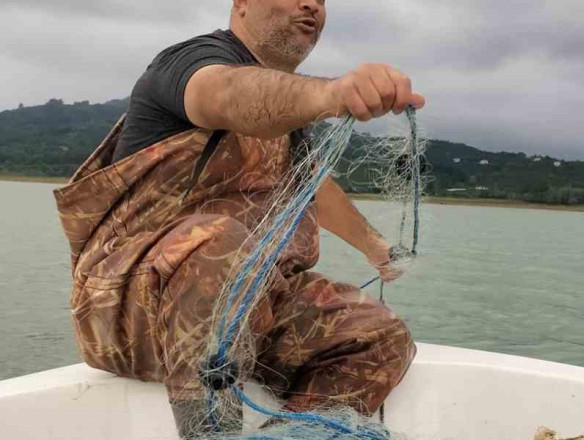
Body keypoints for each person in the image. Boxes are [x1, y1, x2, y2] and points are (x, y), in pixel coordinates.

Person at [52, 0, 426, 436]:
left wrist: (375, 246)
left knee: (377, 335)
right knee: (218, 242)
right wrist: (329, 94)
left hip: (246, 313)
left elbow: (310, 185)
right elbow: (227, 95)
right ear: (241, 4)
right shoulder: (188, 64)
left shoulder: (290, 119)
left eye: (323, 0)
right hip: (130, 311)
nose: (313, 5)